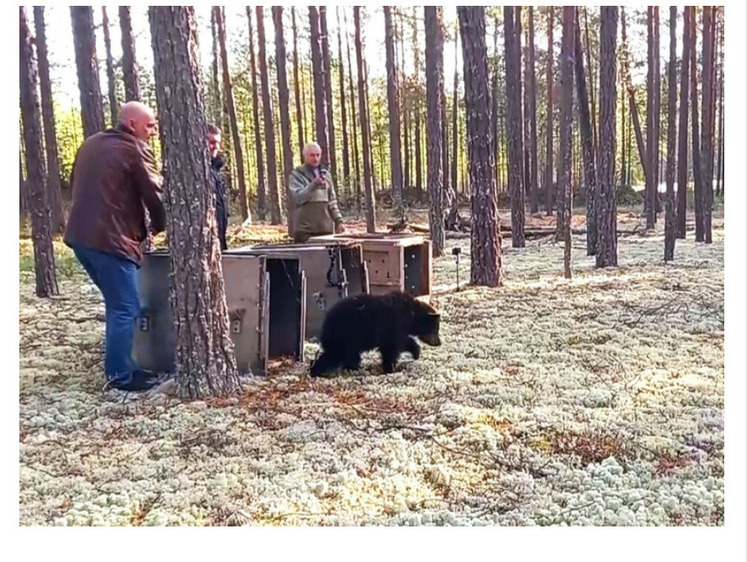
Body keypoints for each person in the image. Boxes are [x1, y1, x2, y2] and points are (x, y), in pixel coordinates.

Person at [63, 101, 166, 392]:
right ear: (132, 124)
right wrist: (160, 226)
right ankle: (120, 376)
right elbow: (154, 194)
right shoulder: (133, 148)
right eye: (149, 125)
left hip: (81, 239)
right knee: (126, 306)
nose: (153, 131)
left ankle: (124, 366)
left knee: (118, 304)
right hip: (111, 240)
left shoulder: (92, 143)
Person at [288, 142, 345, 243]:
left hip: (325, 231)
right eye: (312, 155)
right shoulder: (297, 175)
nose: (315, 158)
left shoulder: (326, 175)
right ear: (305, 156)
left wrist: (338, 221)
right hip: (304, 232)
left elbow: (332, 202)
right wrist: (313, 185)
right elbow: (298, 198)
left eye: (318, 155)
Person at [207, 124, 229, 251]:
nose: (215, 146)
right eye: (211, 142)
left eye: (218, 143)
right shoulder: (196, 173)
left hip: (219, 240)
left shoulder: (216, 171)